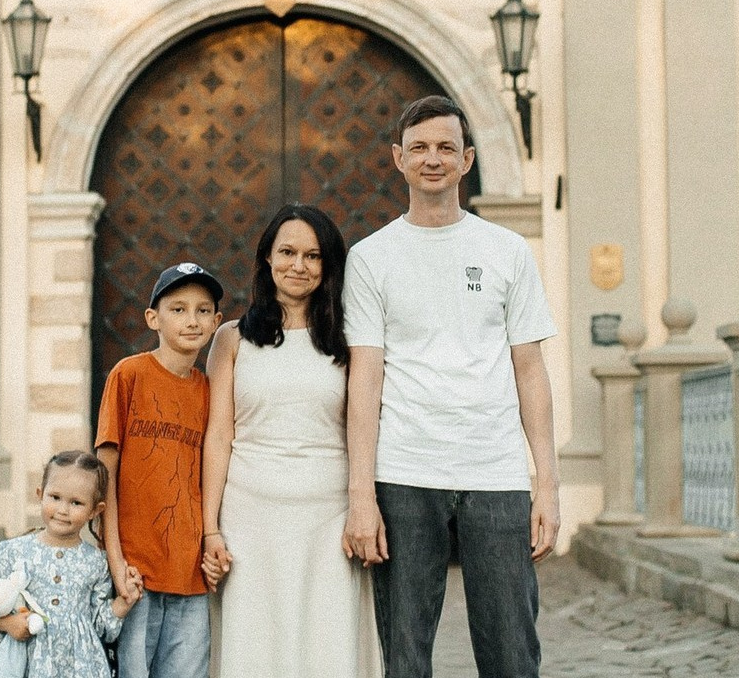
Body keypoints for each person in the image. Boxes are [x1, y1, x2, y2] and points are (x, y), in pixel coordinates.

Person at [342, 94, 560, 678]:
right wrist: (361, 495)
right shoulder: (370, 259)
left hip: (496, 472)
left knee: (512, 650)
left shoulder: (507, 251)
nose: (431, 159)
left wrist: (547, 484)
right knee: (405, 654)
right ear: (398, 159)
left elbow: (530, 371)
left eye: (444, 147)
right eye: (419, 148)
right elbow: (365, 379)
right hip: (405, 471)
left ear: (467, 159)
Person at [200, 204, 382, 678]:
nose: (298, 265)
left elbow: (363, 426)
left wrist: (364, 506)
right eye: (287, 252)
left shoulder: (350, 340)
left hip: (329, 517)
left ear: (328, 266)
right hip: (248, 517)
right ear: (266, 259)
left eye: (312, 255)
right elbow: (218, 436)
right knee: (253, 643)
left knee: (328, 643)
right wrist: (209, 528)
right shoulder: (230, 339)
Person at [95, 261, 223, 678]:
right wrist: (116, 561)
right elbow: (105, 476)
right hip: (136, 572)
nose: (192, 320)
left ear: (217, 321)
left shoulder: (209, 391)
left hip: (190, 576)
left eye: (203, 311)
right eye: (178, 309)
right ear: (154, 318)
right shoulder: (129, 375)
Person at [0, 450, 141, 678]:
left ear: (95, 510)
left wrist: (123, 602)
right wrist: (8, 623)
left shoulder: (96, 562)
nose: (63, 510)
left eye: (76, 503)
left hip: (83, 668)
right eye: (55, 497)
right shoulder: (12, 552)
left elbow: (103, 628)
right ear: (40, 494)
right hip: (29, 666)